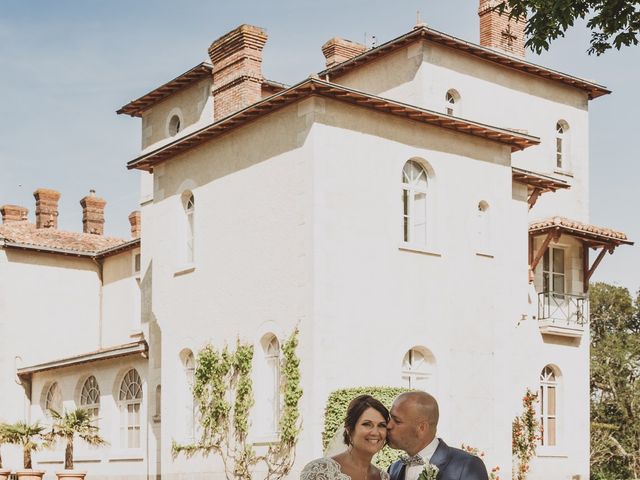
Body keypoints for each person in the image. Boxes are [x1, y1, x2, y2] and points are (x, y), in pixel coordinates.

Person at [387, 391, 488, 480]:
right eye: (390, 418)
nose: (388, 425)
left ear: (421, 428)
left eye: (397, 421)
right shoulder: (393, 469)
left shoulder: (466, 466)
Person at [301, 394, 390, 480]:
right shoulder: (319, 470)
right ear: (349, 429)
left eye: (381, 425)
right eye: (367, 424)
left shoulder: (384, 477)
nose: (375, 432)